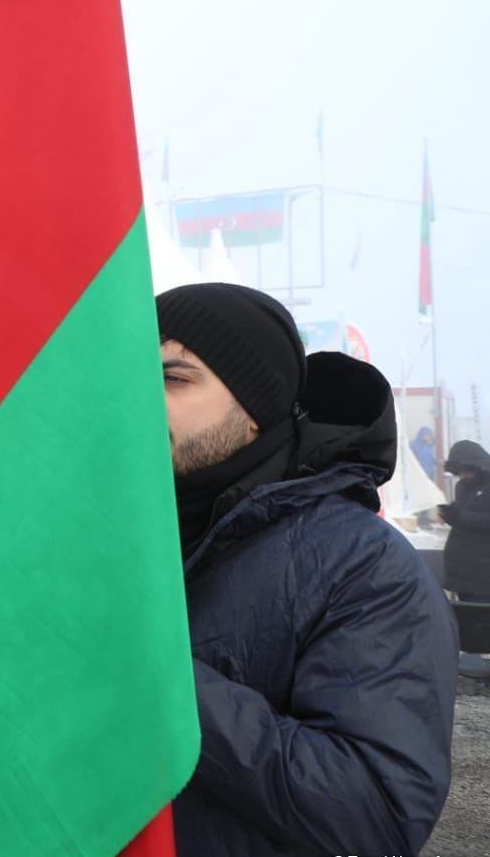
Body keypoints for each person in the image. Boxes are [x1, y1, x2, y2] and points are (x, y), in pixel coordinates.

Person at [154, 282, 456, 855]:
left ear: (255, 410)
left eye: (173, 379)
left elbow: (375, 813)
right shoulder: (116, 546)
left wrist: (159, 682)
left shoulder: (364, 566)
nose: (140, 401)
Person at [442, 439, 490, 600]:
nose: (462, 476)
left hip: (483, 575)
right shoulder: (462, 486)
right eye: (459, 472)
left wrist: (460, 517)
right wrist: (450, 514)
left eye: (465, 470)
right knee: (467, 617)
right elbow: (463, 513)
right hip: (462, 573)